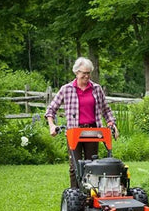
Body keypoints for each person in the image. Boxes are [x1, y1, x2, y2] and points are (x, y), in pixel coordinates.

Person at [45, 57, 119, 188]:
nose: (87, 76)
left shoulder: (96, 89)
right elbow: (51, 110)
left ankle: (91, 195)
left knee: (92, 165)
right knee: (75, 167)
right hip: (74, 132)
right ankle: (76, 196)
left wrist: (112, 125)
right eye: (84, 73)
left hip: (93, 132)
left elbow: (106, 110)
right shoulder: (66, 89)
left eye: (89, 73)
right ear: (76, 72)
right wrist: (52, 125)